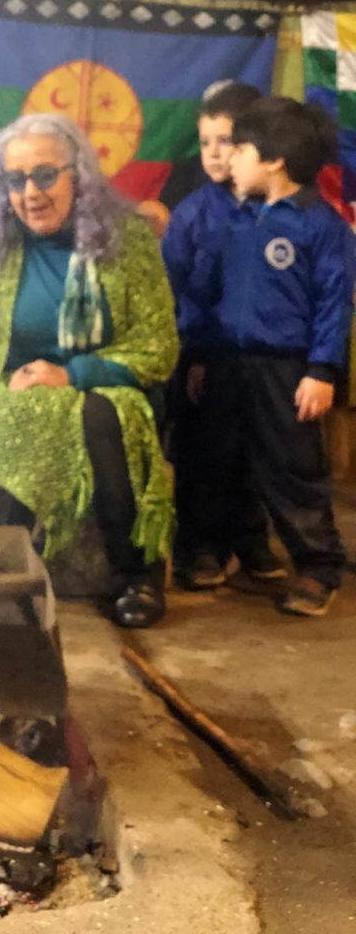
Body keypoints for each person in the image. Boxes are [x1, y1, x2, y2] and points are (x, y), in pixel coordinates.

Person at [0, 113, 179, 628]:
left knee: (99, 415)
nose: (30, 193)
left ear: (78, 176)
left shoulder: (127, 241)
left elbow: (158, 346)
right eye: (15, 180)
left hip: (111, 384)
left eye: (44, 175)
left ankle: (134, 572)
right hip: (21, 387)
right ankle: (0, 561)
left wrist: (74, 374)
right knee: (30, 405)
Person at [188, 96, 355, 617]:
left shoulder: (320, 227)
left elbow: (334, 303)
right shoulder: (235, 220)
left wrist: (321, 370)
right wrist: (199, 356)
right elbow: (207, 293)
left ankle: (318, 567)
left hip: (286, 370)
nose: (228, 159)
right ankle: (221, 550)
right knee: (220, 461)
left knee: (292, 468)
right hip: (226, 363)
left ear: (274, 160)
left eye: (239, 149)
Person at [162, 80, 286, 590]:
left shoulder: (277, 208)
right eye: (206, 142)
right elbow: (179, 289)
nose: (214, 153)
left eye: (227, 142)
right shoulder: (192, 208)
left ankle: (249, 539)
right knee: (202, 450)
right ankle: (200, 546)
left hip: (262, 354)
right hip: (204, 355)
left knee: (254, 451)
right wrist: (195, 354)